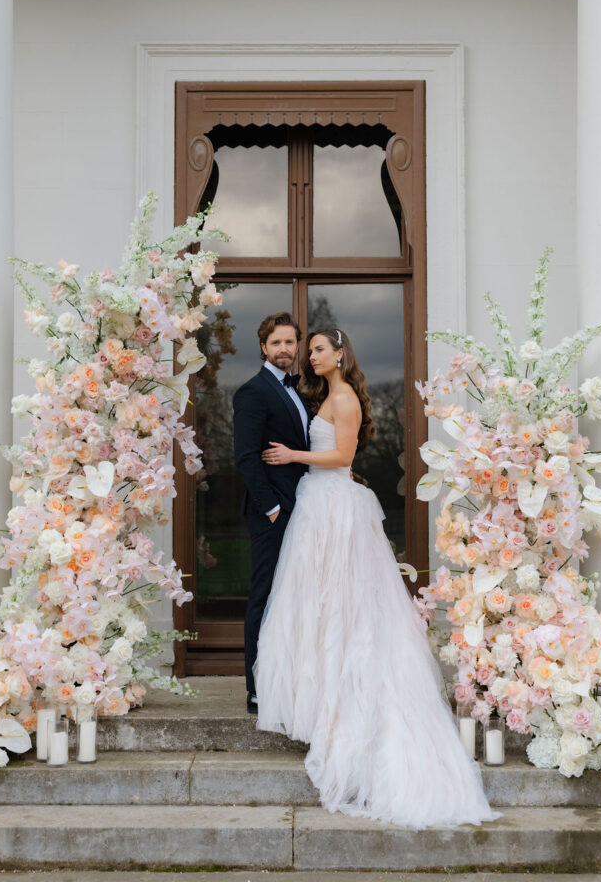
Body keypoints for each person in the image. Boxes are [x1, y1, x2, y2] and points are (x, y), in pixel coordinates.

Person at [253, 326, 499, 829]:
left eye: (319, 349)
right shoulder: (325, 395)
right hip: (318, 506)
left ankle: (345, 700)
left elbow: (343, 457)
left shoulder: (343, 399)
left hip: (333, 504)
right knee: (319, 602)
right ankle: (323, 693)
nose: (310, 355)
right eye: (310, 350)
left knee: (344, 602)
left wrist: (294, 456)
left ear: (340, 353)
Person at [233, 312, 312, 714]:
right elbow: (247, 458)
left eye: (290, 342)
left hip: (304, 510)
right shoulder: (252, 392)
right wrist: (273, 508)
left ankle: (288, 678)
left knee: (292, 595)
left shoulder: (298, 391)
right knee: (264, 596)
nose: (284, 349)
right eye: (276, 343)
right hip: (273, 513)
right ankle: (256, 687)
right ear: (264, 347)